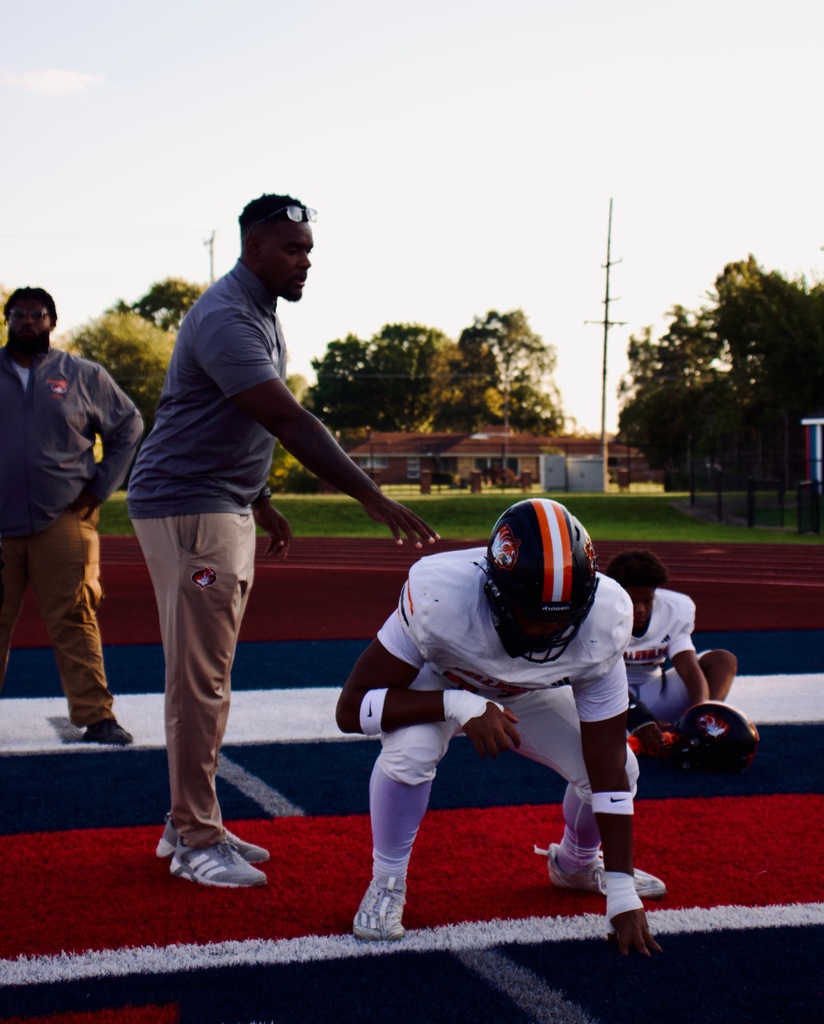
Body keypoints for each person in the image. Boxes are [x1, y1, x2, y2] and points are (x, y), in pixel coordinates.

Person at [127, 193, 438, 890]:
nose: (305, 262)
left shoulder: (260, 310)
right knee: (197, 680)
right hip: (190, 509)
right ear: (254, 248)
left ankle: (188, 820)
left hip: (221, 503)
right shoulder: (228, 315)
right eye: (292, 249)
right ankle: (194, 838)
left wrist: (260, 498)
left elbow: (231, 418)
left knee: (209, 676)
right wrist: (370, 494)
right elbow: (288, 419)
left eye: (309, 249)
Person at [336, 498, 665, 957]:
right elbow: (352, 711)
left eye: (562, 618)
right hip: (441, 685)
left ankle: (576, 864)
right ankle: (387, 882)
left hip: (528, 696)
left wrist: (622, 893)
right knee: (409, 752)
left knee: (622, 768)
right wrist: (458, 704)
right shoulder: (441, 596)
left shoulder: (605, 618)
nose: (545, 632)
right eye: (531, 614)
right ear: (494, 589)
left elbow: (606, 760)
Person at [0, 287, 143, 744]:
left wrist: (101, 486)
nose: (27, 322)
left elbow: (128, 425)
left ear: (52, 321)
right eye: (18, 314)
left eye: (36, 315)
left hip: (62, 517)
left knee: (75, 616)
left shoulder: (82, 374)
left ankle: (97, 716)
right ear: (6, 320)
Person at [604, 549, 737, 755]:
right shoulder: (599, 612)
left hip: (657, 691)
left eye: (646, 601)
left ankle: (709, 720)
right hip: (609, 699)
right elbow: (598, 676)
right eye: (632, 601)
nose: (640, 609)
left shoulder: (676, 608)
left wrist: (700, 711)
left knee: (723, 660)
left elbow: (688, 666)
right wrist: (640, 719)